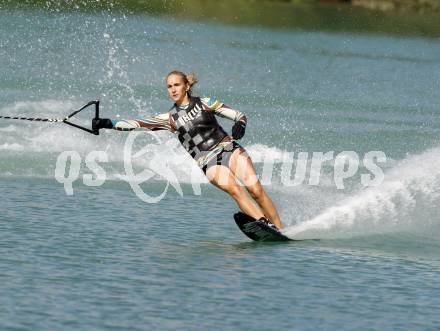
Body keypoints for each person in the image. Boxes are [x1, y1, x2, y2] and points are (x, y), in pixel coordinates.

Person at [93, 71, 283, 229]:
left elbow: (239, 115)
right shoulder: (169, 119)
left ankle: (280, 229)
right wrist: (107, 123)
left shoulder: (205, 103)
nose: (173, 89)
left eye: (176, 85)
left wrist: (241, 124)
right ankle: (265, 224)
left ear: (187, 86)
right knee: (235, 190)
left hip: (229, 149)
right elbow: (137, 124)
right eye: (169, 86)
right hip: (208, 161)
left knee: (256, 190)